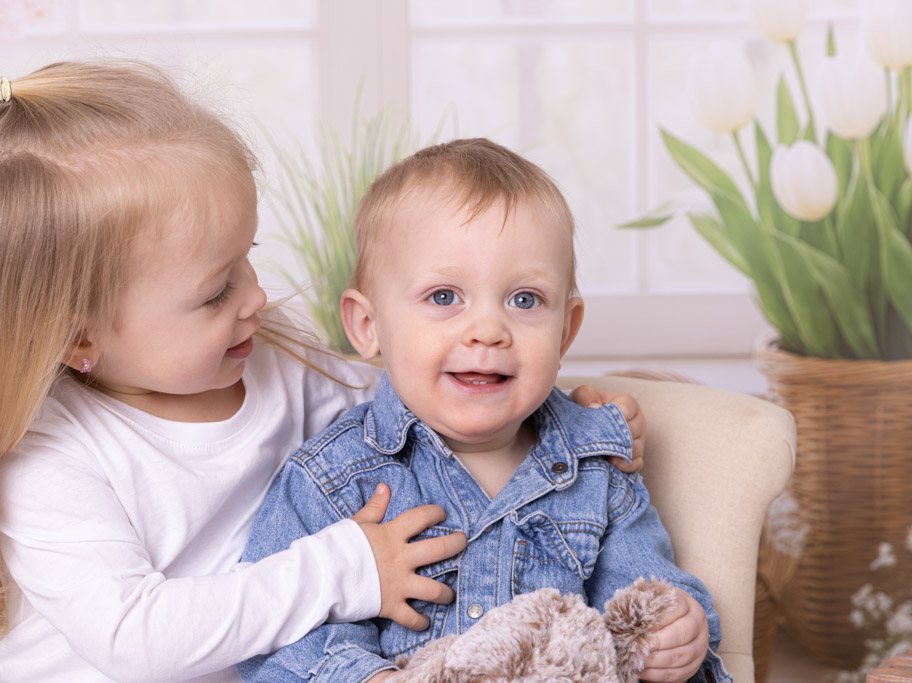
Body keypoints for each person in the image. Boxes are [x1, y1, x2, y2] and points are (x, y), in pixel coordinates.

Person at [0, 62, 646, 682]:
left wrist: (566, 420)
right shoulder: (46, 456)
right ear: (77, 336)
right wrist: (346, 567)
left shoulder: (271, 361)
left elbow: (419, 396)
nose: (255, 297)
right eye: (216, 290)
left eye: (247, 258)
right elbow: (135, 638)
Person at [239, 138, 731, 683]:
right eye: (444, 297)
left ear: (565, 332)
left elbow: (641, 592)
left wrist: (674, 630)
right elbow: (279, 631)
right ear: (368, 325)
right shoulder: (333, 477)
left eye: (525, 300)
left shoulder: (596, 467)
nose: (488, 330)